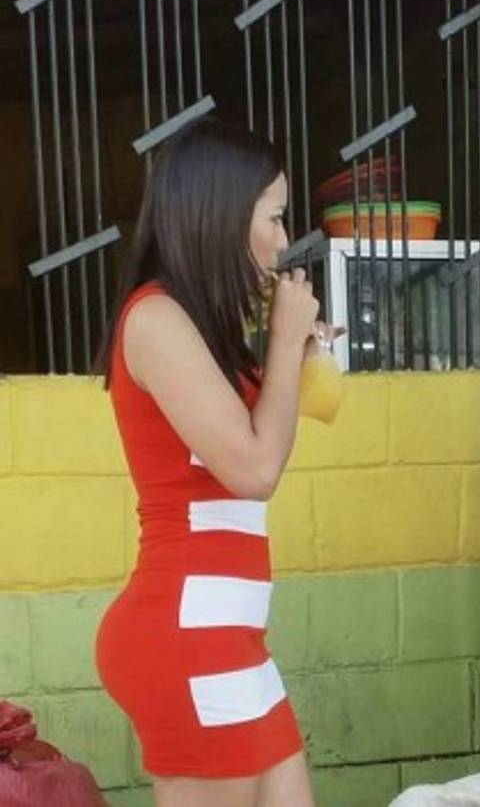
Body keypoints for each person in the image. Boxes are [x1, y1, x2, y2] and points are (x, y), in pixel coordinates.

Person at [95, 118, 321, 807]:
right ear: (223, 217)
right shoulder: (155, 320)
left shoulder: (202, 329)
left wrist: (292, 355)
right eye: (276, 219)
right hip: (189, 636)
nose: (284, 243)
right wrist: (282, 346)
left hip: (228, 637)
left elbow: (258, 457)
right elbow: (254, 470)